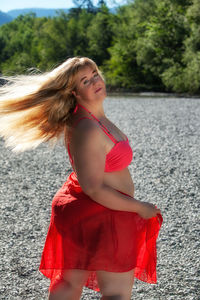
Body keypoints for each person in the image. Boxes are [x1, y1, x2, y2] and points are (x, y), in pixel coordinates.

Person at [0, 57, 162, 300]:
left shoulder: (91, 117)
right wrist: (140, 207)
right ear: (74, 92)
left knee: (69, 284)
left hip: (94, 210)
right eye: (86, 81)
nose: (95, 81)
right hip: (100, 212)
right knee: (115, 293)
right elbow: (94, 188)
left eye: (95, 73)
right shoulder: (87, 127)